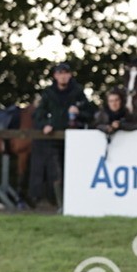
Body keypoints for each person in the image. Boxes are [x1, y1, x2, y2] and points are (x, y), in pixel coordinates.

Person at [31, 61, 87, 208]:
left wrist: (79, 113)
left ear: (70, 75)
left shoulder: (78, 92)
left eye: (65, 73)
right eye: (60, 73)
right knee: (55, 171)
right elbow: (38, 114)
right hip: (53, 139)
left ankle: (74, 202)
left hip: (74, 139)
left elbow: (91, 113)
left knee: (73, 171)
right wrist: (45, 125)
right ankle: (58, 202)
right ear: (55, 76)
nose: (63, 77)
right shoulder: (49, 93)